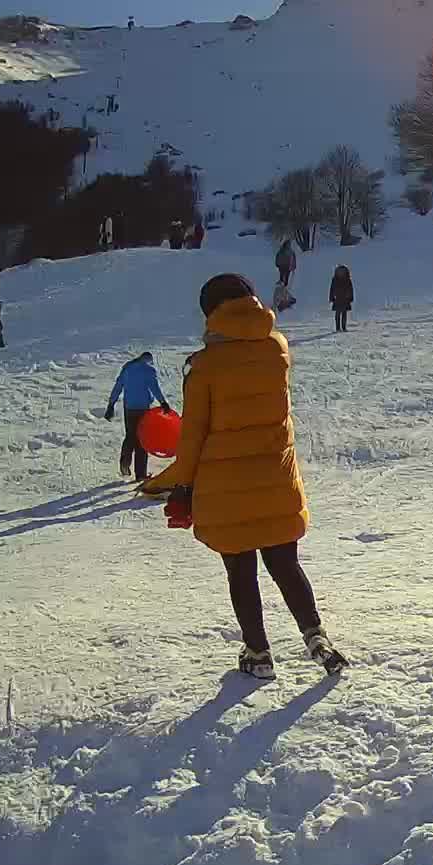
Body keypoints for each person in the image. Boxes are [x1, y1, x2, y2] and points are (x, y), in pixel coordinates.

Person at [142, 274, 346, 678]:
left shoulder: (204, 367)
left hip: (225, 489)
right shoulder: (277, 349)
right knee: (286, 563)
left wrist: (173, 486)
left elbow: (193, 436)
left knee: (241, 569)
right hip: (276, 480)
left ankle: (258, 654)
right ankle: (316, 637)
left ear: (212, 312)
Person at [106, 350, 172, 482]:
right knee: (142, 440)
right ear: (148, 360)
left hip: (129, 408)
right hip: (143, 409)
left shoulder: (127, 368)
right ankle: (140, 474)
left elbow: (118, 387)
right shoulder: (149, 371)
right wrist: (163, 402)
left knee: (130, 435)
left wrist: (111, 404)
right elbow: (154, 388)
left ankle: (125, 462)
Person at [329, 265, 354, 332]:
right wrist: (351, 297)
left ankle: (340, 328)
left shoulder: (337, 279)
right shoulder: (347, 279)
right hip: (343, 298)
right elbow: (350, 289)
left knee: (340, 313)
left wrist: (331, 298)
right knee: (342, 313)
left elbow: (332, 289)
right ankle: (341, 328)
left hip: (340, 298)